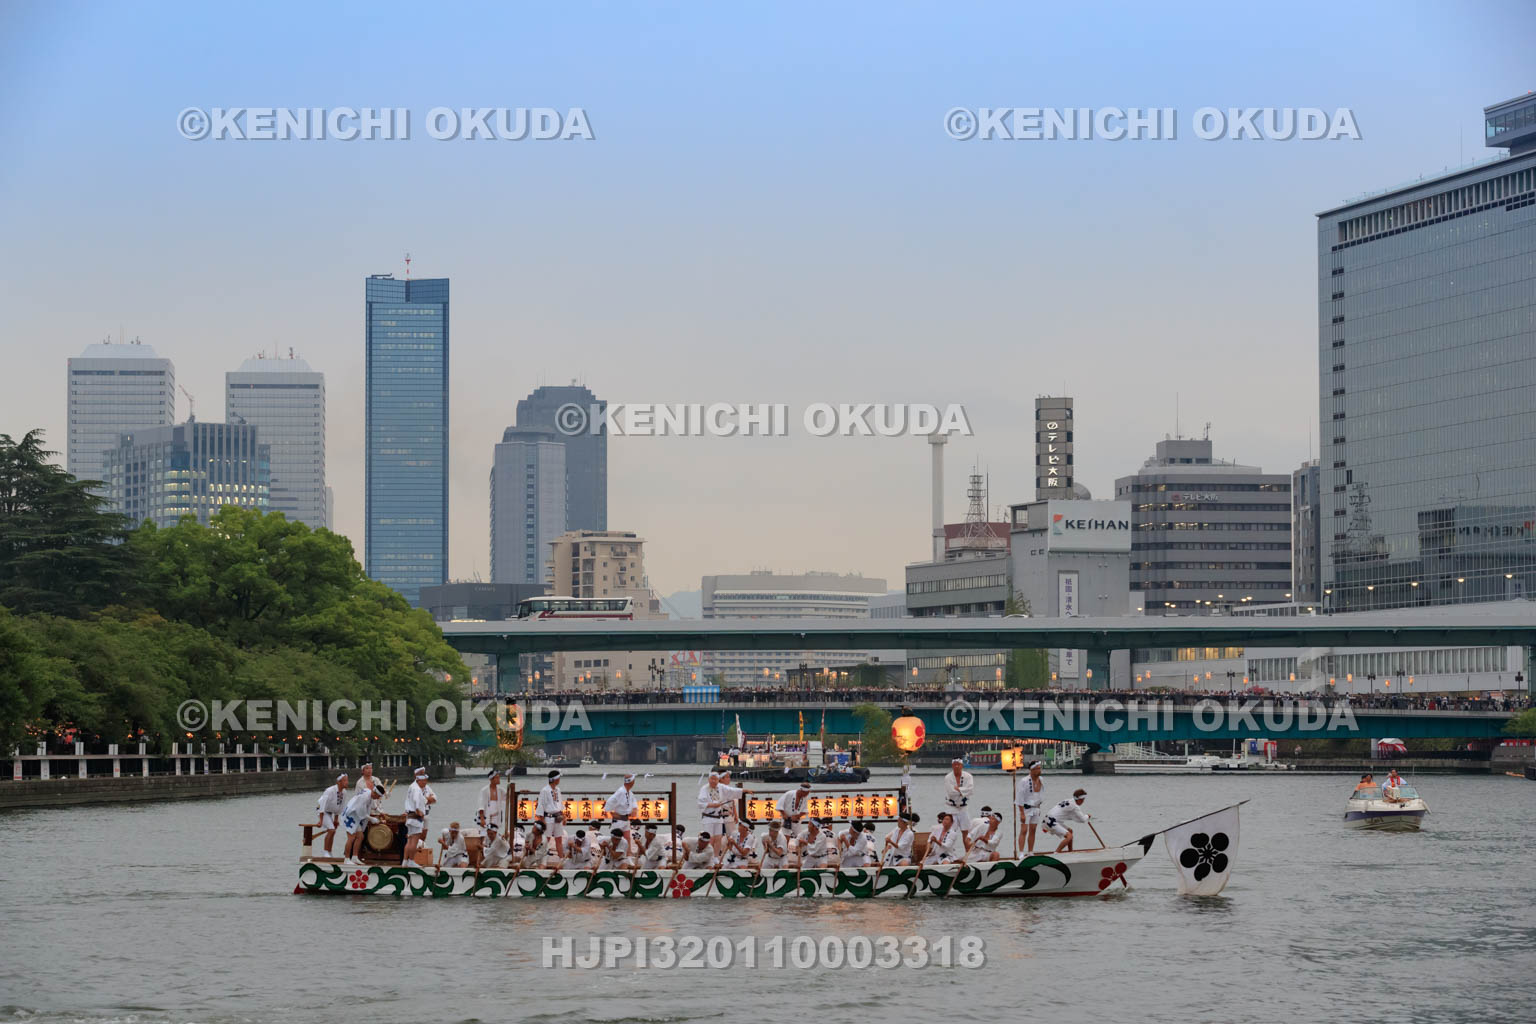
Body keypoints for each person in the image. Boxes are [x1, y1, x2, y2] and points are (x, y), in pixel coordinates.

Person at [342, 783, 385, 865]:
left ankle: (354, 857)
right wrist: (372, 819)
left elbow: (372, 804)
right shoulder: (364, 798)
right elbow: (361, 813)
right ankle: (346, 859)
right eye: (378, 796)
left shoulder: (369, 792)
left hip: (355, 815)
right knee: (351, 838)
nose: (378, 798)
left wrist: (380, 812)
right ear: (375, 793)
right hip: (350, 815)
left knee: (360, 836)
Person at [1042, 789, 1092, 853]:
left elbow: (1072, 816)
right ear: (1080, 799)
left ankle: (1070, 852)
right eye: (1083, 800)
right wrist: (1088, 816)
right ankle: (1056, 853)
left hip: (1047, 819)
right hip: (1052, 821)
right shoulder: (1075, 806)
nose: (1083, 801)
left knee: (1070, 831)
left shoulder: (1068, 800)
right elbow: (1083, 819)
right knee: (1069, 836)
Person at [401, 768, 433, 865]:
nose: (425, 783)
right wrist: (419, 811)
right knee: (414, 841)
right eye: (424, 781)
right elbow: (416, 800)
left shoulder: (412, 786)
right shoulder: (416, 789)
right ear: (419, 780)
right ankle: (411, 861)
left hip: (410, 817)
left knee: (410, 840)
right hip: (415, 817)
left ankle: (405, 861)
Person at [697, 772, 733, 853]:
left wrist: (743, 790)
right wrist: (712, 805)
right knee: (710, 839)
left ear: (718, 780)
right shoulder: (704, 788)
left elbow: (730, 793)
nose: (713, 781)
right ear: (708, 779)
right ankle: (709, 855)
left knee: (718, 838)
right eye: (712, 779)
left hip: (718, 817)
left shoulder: (720, 787)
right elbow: (700, 804)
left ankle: (716, 856)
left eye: (715, 779)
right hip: (708, 817)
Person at [536, 770, 567, 860]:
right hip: (548, 817)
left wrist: (564, 817)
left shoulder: (558, 790)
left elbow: (560, 804)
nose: (559, 780)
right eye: (558, 778)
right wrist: (542, 821)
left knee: (559, 839)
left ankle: (561, 858)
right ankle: (540, 857)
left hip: (558, 817)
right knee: (546, 839)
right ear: (555, 779)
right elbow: (541, 805)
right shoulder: (545, 790)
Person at [314, 773, 348, 856]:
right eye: (345, 780)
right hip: (322, 810)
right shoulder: (330, 790)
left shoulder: (344, 792)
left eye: (347, 780)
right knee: (331, 830)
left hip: (330, 812)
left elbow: (340, 807)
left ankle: (329, 851)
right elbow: (322, 804)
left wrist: (336, 820)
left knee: (333, 831)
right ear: (339, 782)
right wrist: (321, 820)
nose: (347, 782)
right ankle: (325, 851)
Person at [1016, 761, 1045, 853]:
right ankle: (1021, 852)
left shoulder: (1041, 779)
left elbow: (1039, 795)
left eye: (1040, 768)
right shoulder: (1024, 781)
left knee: (1033, 830)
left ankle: (1030, 852)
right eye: (1037, 768)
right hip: (1026, 808)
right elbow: (1019, 797)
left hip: (1036, 808)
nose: (1039, 770)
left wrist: (1039, 807)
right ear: (1032, 770)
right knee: (1024, 830)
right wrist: (1021, 813)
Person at [943, 758, 975, 832]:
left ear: (962, 765)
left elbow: (970, 790)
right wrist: (963, 791)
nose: (956, 766)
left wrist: (958, 789)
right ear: (952, 766)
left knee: (966, 831)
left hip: (964, 807)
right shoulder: (948, 777)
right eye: (955, 765)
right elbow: (951, 793)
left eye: (958, 764)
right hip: (951, 807)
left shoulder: (968, 776)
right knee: (950, 830)